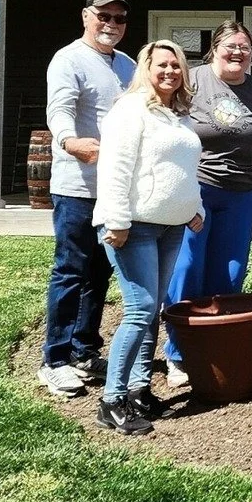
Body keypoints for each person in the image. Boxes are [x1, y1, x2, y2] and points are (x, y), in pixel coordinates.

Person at [159, 21, 252, 393]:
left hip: (241, 194)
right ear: (215, 48)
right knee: (187, 268)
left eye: (245, 47)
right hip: (195, 190)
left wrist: (234, 163)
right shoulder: (192, 82)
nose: (238, 53)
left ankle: (214, 349)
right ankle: (177, 353)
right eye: (231, 45)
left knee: (229, 274)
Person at [93, 41, 205, 437]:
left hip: (171, 226)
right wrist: (116, 220)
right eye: (162, 65)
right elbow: (115, 168)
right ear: (146, 68)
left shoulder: (178, 115)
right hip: (133, 226)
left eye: (176, 65)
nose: (170, 71)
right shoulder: (130, 110)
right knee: (139, 309)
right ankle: (111, 400)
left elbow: (185, 168)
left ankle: (139, 391)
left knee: (152, 308)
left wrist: (195, 207)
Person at [39, 0, 136, 399]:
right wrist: (69, 141)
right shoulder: (69, 59)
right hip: (77, 187)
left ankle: (84, 349)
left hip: (115, 189)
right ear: (86, 16)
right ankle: (55, 359)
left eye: (119, 18)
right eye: (104, 15)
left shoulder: (129, 65)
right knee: (71, 270)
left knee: (100, 272)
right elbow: (59, 109)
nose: (111, 24)